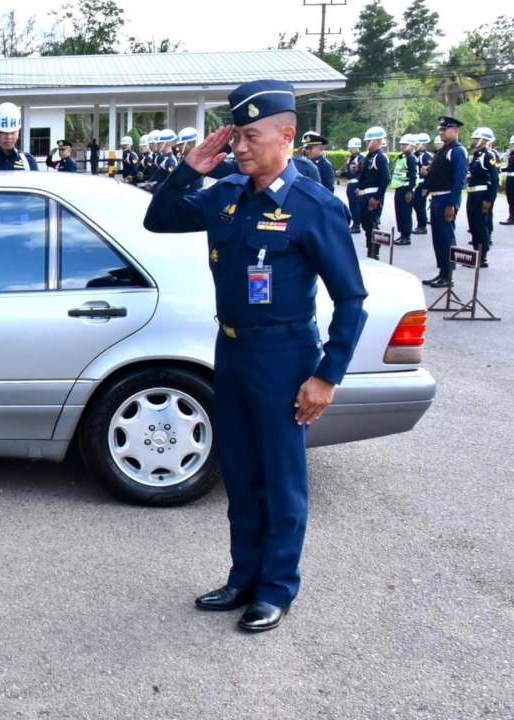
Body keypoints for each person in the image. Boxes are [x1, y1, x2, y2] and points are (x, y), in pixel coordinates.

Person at [144, 80, 367, 634]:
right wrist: (190, 168)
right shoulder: (225, 195)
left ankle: (276, 588)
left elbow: (352, 299)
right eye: (235, 136)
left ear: (286, 136)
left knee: (281, 477)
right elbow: (160, 218)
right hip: (232, 351)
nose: (239, 147)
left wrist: (327, 376)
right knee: (240, 473)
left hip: (286, 355)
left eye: (250, 136)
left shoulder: (314, 207)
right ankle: (243, 577)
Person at [420, 117, 469, 288]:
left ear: (456, 131)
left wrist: (452, 204)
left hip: (447, 197)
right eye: (440, 130)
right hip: (437, 197)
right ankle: (441, 271)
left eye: (444, 129)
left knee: (446, 237)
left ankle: (448, 275)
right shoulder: (442, 150)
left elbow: (459, 179)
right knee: (438, 238)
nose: (441, 132)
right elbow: (437, 174)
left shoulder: (457, 150)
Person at [466, 127, 500, 268]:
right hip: (472, 194)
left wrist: (489, 200)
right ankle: (476, 254)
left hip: (482, 195)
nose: (474, 141)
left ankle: (482, 256)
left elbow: (494, 179)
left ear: (485, 140)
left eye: (477, 139)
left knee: (480, 226)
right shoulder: (476, 155)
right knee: (473, 225)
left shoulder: (489, 156)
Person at [357, 126, 390, 259]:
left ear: (377, 141)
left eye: (369, 141)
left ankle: (374, 251)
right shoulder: (368, 157)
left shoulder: (380, 157)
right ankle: (370, 248)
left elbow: (386, 178)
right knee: (366, 224)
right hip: (365, 195)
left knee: (372, 224)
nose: (367, 144)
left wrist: (377, 198)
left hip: (373, 196)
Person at [391, 133, 419, 246]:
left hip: (406, 189)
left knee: (406, 213)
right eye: (402, 144)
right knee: (400, 213)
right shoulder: (402, 157)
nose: (402, 146)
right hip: (399, 188)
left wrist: (410, 191)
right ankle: (402, 234)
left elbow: (414, 176)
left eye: (405, 144)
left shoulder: (411, 159)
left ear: (412, 146)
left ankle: (406, 236)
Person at [341, 138, 363, 233]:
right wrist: (341, 173)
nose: (350, 150)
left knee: (356, 205)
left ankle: (357, 225)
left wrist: (360, 186)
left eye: (352, 148)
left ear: (357, 147)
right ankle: (354, 223)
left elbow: (362, 173)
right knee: (352, 205)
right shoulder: (350, 158)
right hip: (350, 183)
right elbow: (349, 172)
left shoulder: (361, 159)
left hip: (356, 184)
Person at [414, 134, 434, 233]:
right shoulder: (416, 155)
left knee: (420, 204)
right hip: (417, 184)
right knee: (417, 204)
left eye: (418, 143)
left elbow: (429, 173)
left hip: (423, 184)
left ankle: (422, 226)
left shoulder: (427, 156)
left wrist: (426, 187)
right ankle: (421, 223)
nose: (416, 145)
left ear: (424, 144)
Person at [503, 133, 514, 225]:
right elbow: (508, 167)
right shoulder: (511, 154)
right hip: (510, 178)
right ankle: (511, 217)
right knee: (510, 198)